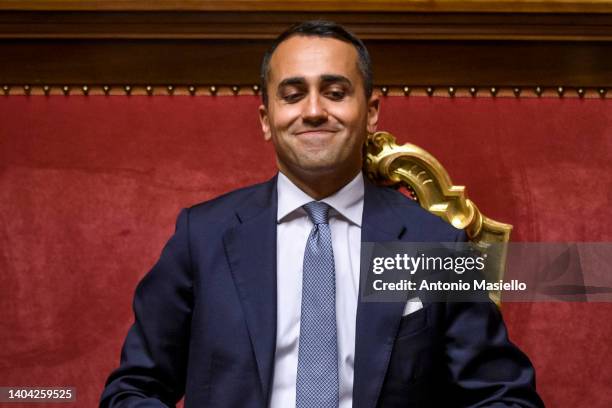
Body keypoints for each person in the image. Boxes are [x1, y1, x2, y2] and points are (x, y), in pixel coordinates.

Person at [100, 20, 543, 408]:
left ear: (370, 113)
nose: (313, 111)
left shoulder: (434, 243)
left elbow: (504, 396)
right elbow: (132, 391)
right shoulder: (203, 237)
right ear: (266, 119)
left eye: (335, 93)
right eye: (292, 95)